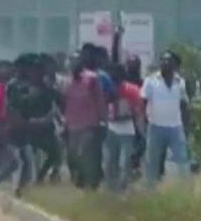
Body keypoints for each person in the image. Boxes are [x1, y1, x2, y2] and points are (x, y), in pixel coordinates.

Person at [142, 50, 191, 188]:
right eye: (163, 60)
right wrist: (143, 124)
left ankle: (184, 189)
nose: (165, 63)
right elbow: (143, 103)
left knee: (181, 159)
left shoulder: (180, 82)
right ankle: (150, 190)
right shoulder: (150, 81)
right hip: (155, 126)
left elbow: (184, 105)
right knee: (152, 161)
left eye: (169, 60)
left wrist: (186, 127)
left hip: (175, 127)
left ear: (175, 64)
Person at [62, 51, 106, 190]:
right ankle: (79, 181)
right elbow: (65, 102)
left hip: (89, 124)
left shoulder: (91, 78)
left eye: (75, 61)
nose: (73, 64)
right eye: (71, 61)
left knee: (86, 153)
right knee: (73, 155)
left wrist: (102, 118)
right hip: (72, 125)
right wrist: (65, 123)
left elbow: (99, 99)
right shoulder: (67, 81)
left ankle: (91, 183)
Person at [104, 63, 145, 192]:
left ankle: (123, 186)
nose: (114, 77)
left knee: (125, 161)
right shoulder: (106, 89)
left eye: (117, 75)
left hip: (127, 129)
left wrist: (141, 131)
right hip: (111, 128)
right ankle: (111, 189)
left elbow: (138, 111)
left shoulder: (131, 90)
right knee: (110, 161)